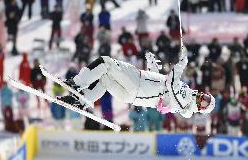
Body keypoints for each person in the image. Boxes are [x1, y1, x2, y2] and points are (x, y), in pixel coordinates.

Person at [58, 46, 215, 119]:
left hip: (138, 83)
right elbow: (163, 89)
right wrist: (153, 67)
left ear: (201, 109)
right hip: (134, 95)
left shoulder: (186, 101)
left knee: (105, 62)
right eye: (206, 97)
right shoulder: (185, 99)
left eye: (205, 102)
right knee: (105, 79)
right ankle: (81, 100)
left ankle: (76, 83)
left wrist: (181, 65)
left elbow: (171, 84)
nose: (202, 98)